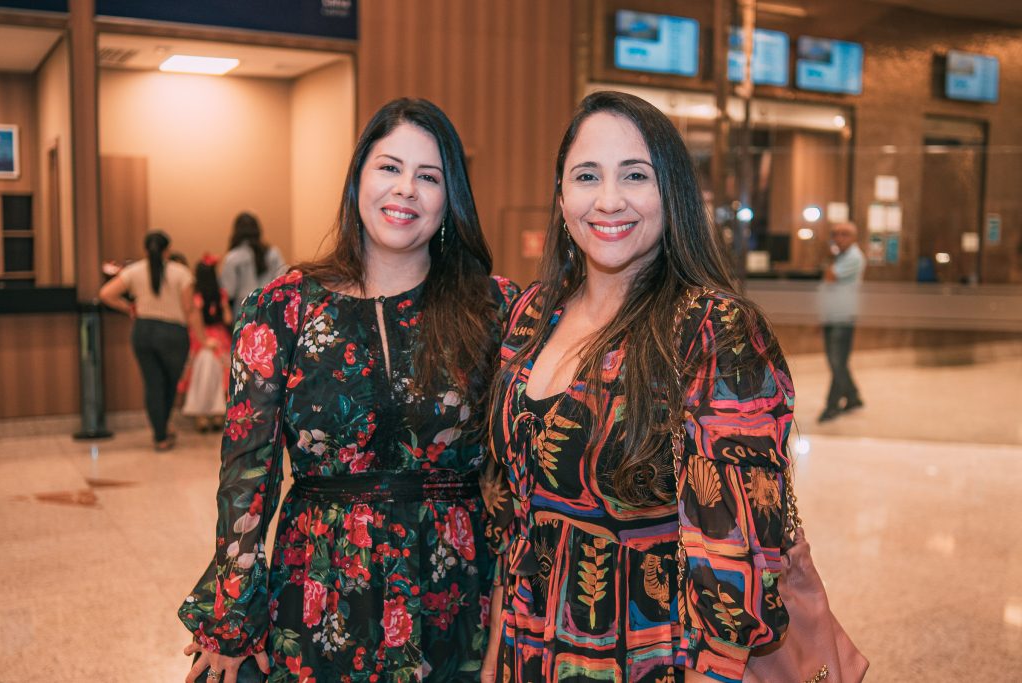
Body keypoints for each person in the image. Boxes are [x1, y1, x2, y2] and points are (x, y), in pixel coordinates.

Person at [179, 98, 519, 683]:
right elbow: (245, 472)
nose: (406, 189)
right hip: (318, 583)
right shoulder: (283, 307)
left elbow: (518, 474)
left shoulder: (495, 308)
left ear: (450, 197)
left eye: (429, 176)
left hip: (453, 591)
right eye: (389, 167)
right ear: (359, 176)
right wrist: (232, 615)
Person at [481, 91, 794, 683]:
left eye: (634, 175)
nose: (608, 200)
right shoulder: (531, 314)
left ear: (671, 192)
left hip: (650, 652)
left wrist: (717, 668)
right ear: (561, 195)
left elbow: (738, 552)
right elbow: (512, 519)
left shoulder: (710, 327)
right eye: (586, 176)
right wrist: (498, 651)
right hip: (530, 644)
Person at [99, 230, 194, 451]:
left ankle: (160, 435)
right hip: (173, 333)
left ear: (145, 250)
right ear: (168, 250)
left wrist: (129, 309)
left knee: (153, 384)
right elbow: (189, 309)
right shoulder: (181, 272)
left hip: (143, 331)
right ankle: (163, 429)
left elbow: (105, 294)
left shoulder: (133, 271)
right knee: (169, 384)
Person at [817, 221, 865, 422]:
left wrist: (830, 257)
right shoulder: (842, 256)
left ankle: (832, 405)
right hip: (833, 314)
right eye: (835, 234)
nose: (839, 238)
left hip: (843, 317)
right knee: (837, 361)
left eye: (844, 234)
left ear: (854, 237)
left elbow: (829, 276)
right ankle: (853, 397)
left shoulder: (853, 256)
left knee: (837, 362)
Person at [181, 255, 233, 432]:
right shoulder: (221, 294)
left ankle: (202, 416)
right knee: (223, 370)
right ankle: (219, 414)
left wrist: (203, 339)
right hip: (219, 337)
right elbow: (227, 318)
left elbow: (193, 320)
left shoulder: (196, 296)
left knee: (202, 369)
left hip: (200, 336)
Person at [220, 211, 287, 318]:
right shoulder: (273, 253)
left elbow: (228, 291)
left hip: (243, 312)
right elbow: (283, 280)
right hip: (270, 309)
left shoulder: (232, 258)